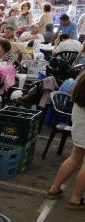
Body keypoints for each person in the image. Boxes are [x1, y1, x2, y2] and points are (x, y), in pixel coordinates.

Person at [47, 71, 85, 209]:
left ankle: (54, 188)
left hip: (79, 121)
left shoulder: (82, 77)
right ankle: (75, 198)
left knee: (75, 157)